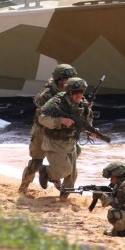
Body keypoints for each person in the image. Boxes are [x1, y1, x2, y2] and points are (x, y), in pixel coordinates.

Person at [19, 63, 76, 194]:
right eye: (68, 79)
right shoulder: (48, 92)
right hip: (42, 130)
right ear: (60, 79)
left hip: (60, 131)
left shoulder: (71, 91)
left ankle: (61, 186)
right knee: (36, 161)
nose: (71, 82)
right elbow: (38, 103)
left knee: (69, 159)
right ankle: (23, 188)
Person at [36, 77, 93, 198]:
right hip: (54, 143)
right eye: (76, 92)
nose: (79, 95)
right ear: (69, 92)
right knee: (64, 170)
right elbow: (42, 118)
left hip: (71, 142)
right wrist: (60, 121)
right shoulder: (56, 101)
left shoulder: (83, 104)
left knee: (72, 175)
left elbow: (86, 122)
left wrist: (91, 132)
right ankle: (45, 171)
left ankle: (63, 199)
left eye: (81, 92)